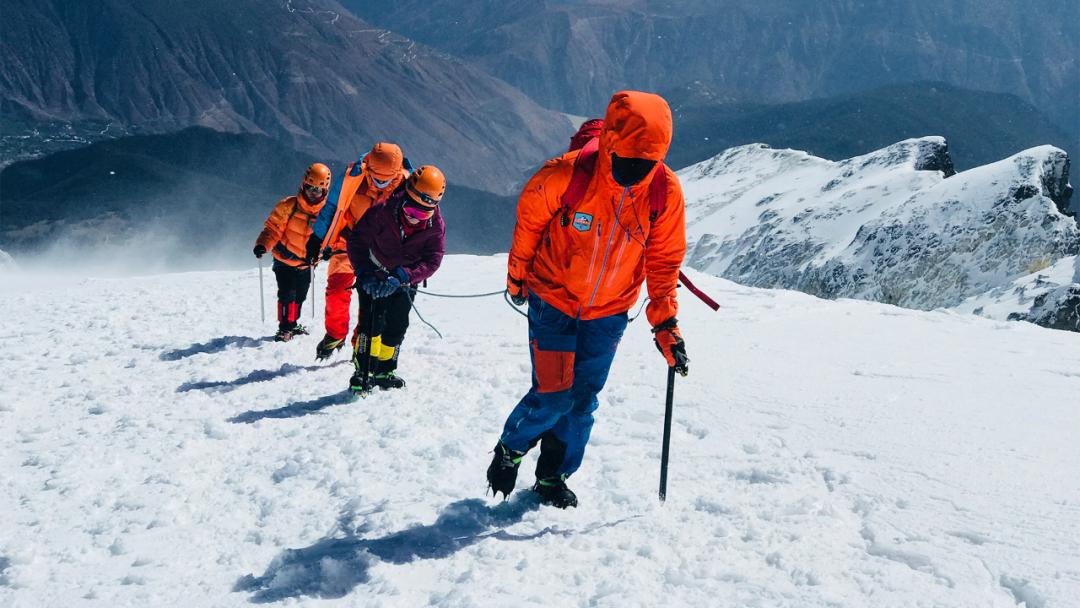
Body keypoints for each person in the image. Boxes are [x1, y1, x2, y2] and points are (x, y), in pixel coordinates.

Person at [486, 91, 690, 508]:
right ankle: (511, 447)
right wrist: (517, 278)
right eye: (627, 161)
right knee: (554, 393)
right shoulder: (566, 175)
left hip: (610, 312)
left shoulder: (664, 192)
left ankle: (552, 478)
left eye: (645, 164)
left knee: (581, 402)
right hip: (553, 298)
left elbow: (665, 261)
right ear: (610, 146)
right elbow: (528, 227)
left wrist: (665, 324)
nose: (634, 172)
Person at [345, 165, 446, 393]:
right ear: (405, 198)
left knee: (397, 325)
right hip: (373, 275)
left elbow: (433, 260)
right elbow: (357, 242)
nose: (413, 218)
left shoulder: (435, 227)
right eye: (411, 210)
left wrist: (406, 276)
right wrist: (363, 272)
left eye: (422, 214)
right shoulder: (382, 211)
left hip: (403, 282)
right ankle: (363, 372)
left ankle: (384, 371)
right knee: (372, 323)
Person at [307, 143, 409, 360]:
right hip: (348, 243)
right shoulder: (352, 179)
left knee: (370, 297)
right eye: (375, 177)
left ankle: (360, 343)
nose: (380, 182)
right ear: (368, 167)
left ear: (397, 173)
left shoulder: (406, 187)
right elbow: (331, 208)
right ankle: (335, 334)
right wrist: (316, 239)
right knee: (336, 291)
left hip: (381, 253)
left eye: (386, 179)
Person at [254, 163, 331, 341]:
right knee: (287, 293)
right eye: (310, 188)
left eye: (318, 190)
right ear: (303, 185)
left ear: (325, 191)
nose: (313, 193)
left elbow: (333, 235)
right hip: (284, 260)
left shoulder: (327, 213)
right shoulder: (289, 205)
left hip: (307, 264)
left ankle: (293, 323)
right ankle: (285, 328)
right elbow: (273, 229)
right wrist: (262, 245)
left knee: (300, 296)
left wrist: (329, 250)